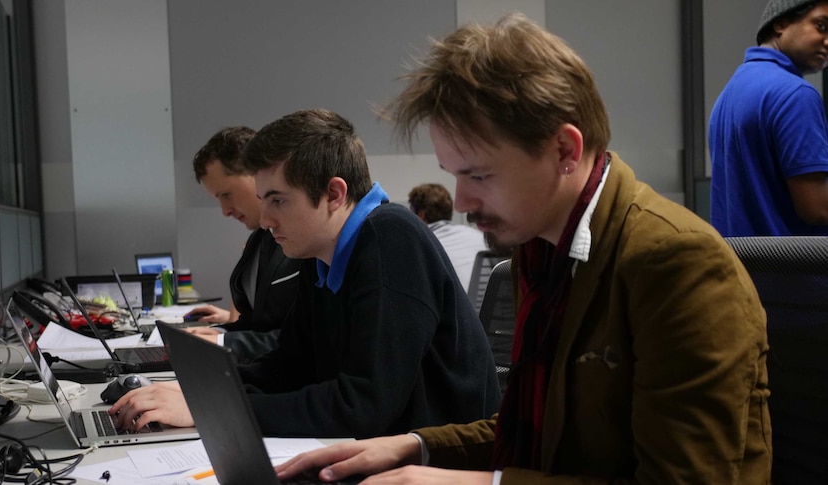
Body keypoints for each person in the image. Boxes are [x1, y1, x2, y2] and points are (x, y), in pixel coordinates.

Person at [275, 13, 772, 484]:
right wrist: (412, 447)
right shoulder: (537, 252)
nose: (463, 200)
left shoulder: (676, 264)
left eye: (480, 175)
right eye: (455, 175)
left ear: (564, 151)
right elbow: (537, 436)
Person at [110, 109, 501, 438]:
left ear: (333, 194)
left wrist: (215, 408)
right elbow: (289, 366)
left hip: (432, 466)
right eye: (264, 200)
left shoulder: (389, 237)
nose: (265, 219)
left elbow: (363, 405)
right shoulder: (323, 256)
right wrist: (198, 392)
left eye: (279, 200)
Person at [184, 126, 303, 362]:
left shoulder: (305, 240)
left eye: (226, 195)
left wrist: (222, 340)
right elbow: (257, 322)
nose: (225, 211)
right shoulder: (258, 241)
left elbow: (303, 339)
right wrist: (220, 332)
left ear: (256, 174)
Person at [710, 0, 828, 236]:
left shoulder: (731, 91)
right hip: (794, 270)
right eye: (821, 26)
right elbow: (817, 210)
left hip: (744, 270)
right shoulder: (796, 95)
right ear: (781, 23)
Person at [408, 183, 488, 292]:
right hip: (488, 306)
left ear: (421, 214)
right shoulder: (479, 236)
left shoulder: (418, 245)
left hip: (456, 306)